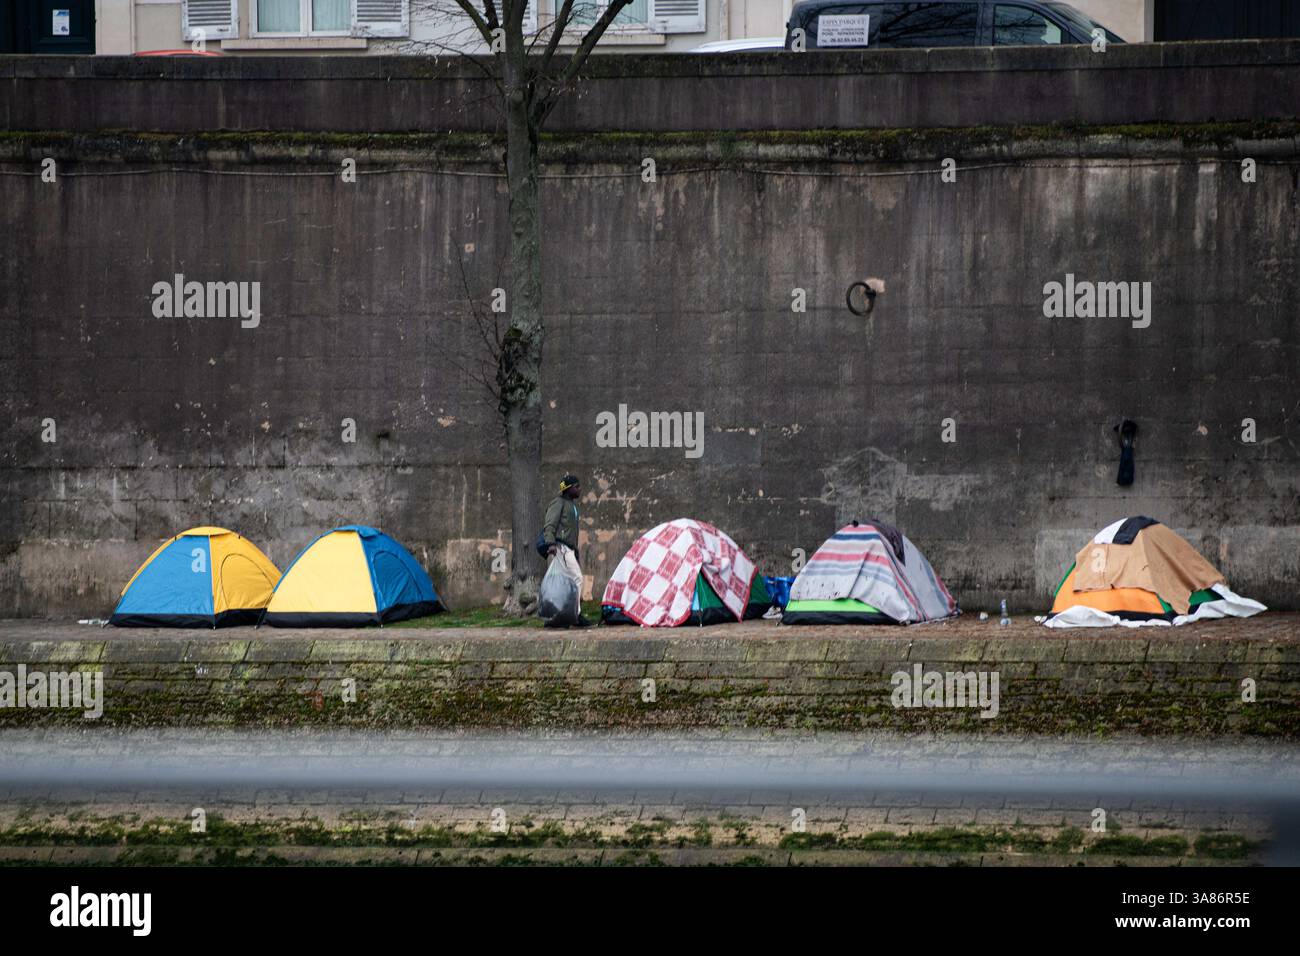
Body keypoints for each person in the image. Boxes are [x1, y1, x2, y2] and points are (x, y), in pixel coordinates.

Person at [541, 473, 592, 627]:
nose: (580, 489)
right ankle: (575, 615)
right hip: (560, 548)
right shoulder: (558, 503)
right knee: (577, 578)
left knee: (564, 581)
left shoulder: (572, 506)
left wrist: (575, 550)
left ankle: (558, 615)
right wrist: (550, 543)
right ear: (568, 489)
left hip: (569, 549)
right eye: (577, 486)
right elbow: (550, 524)